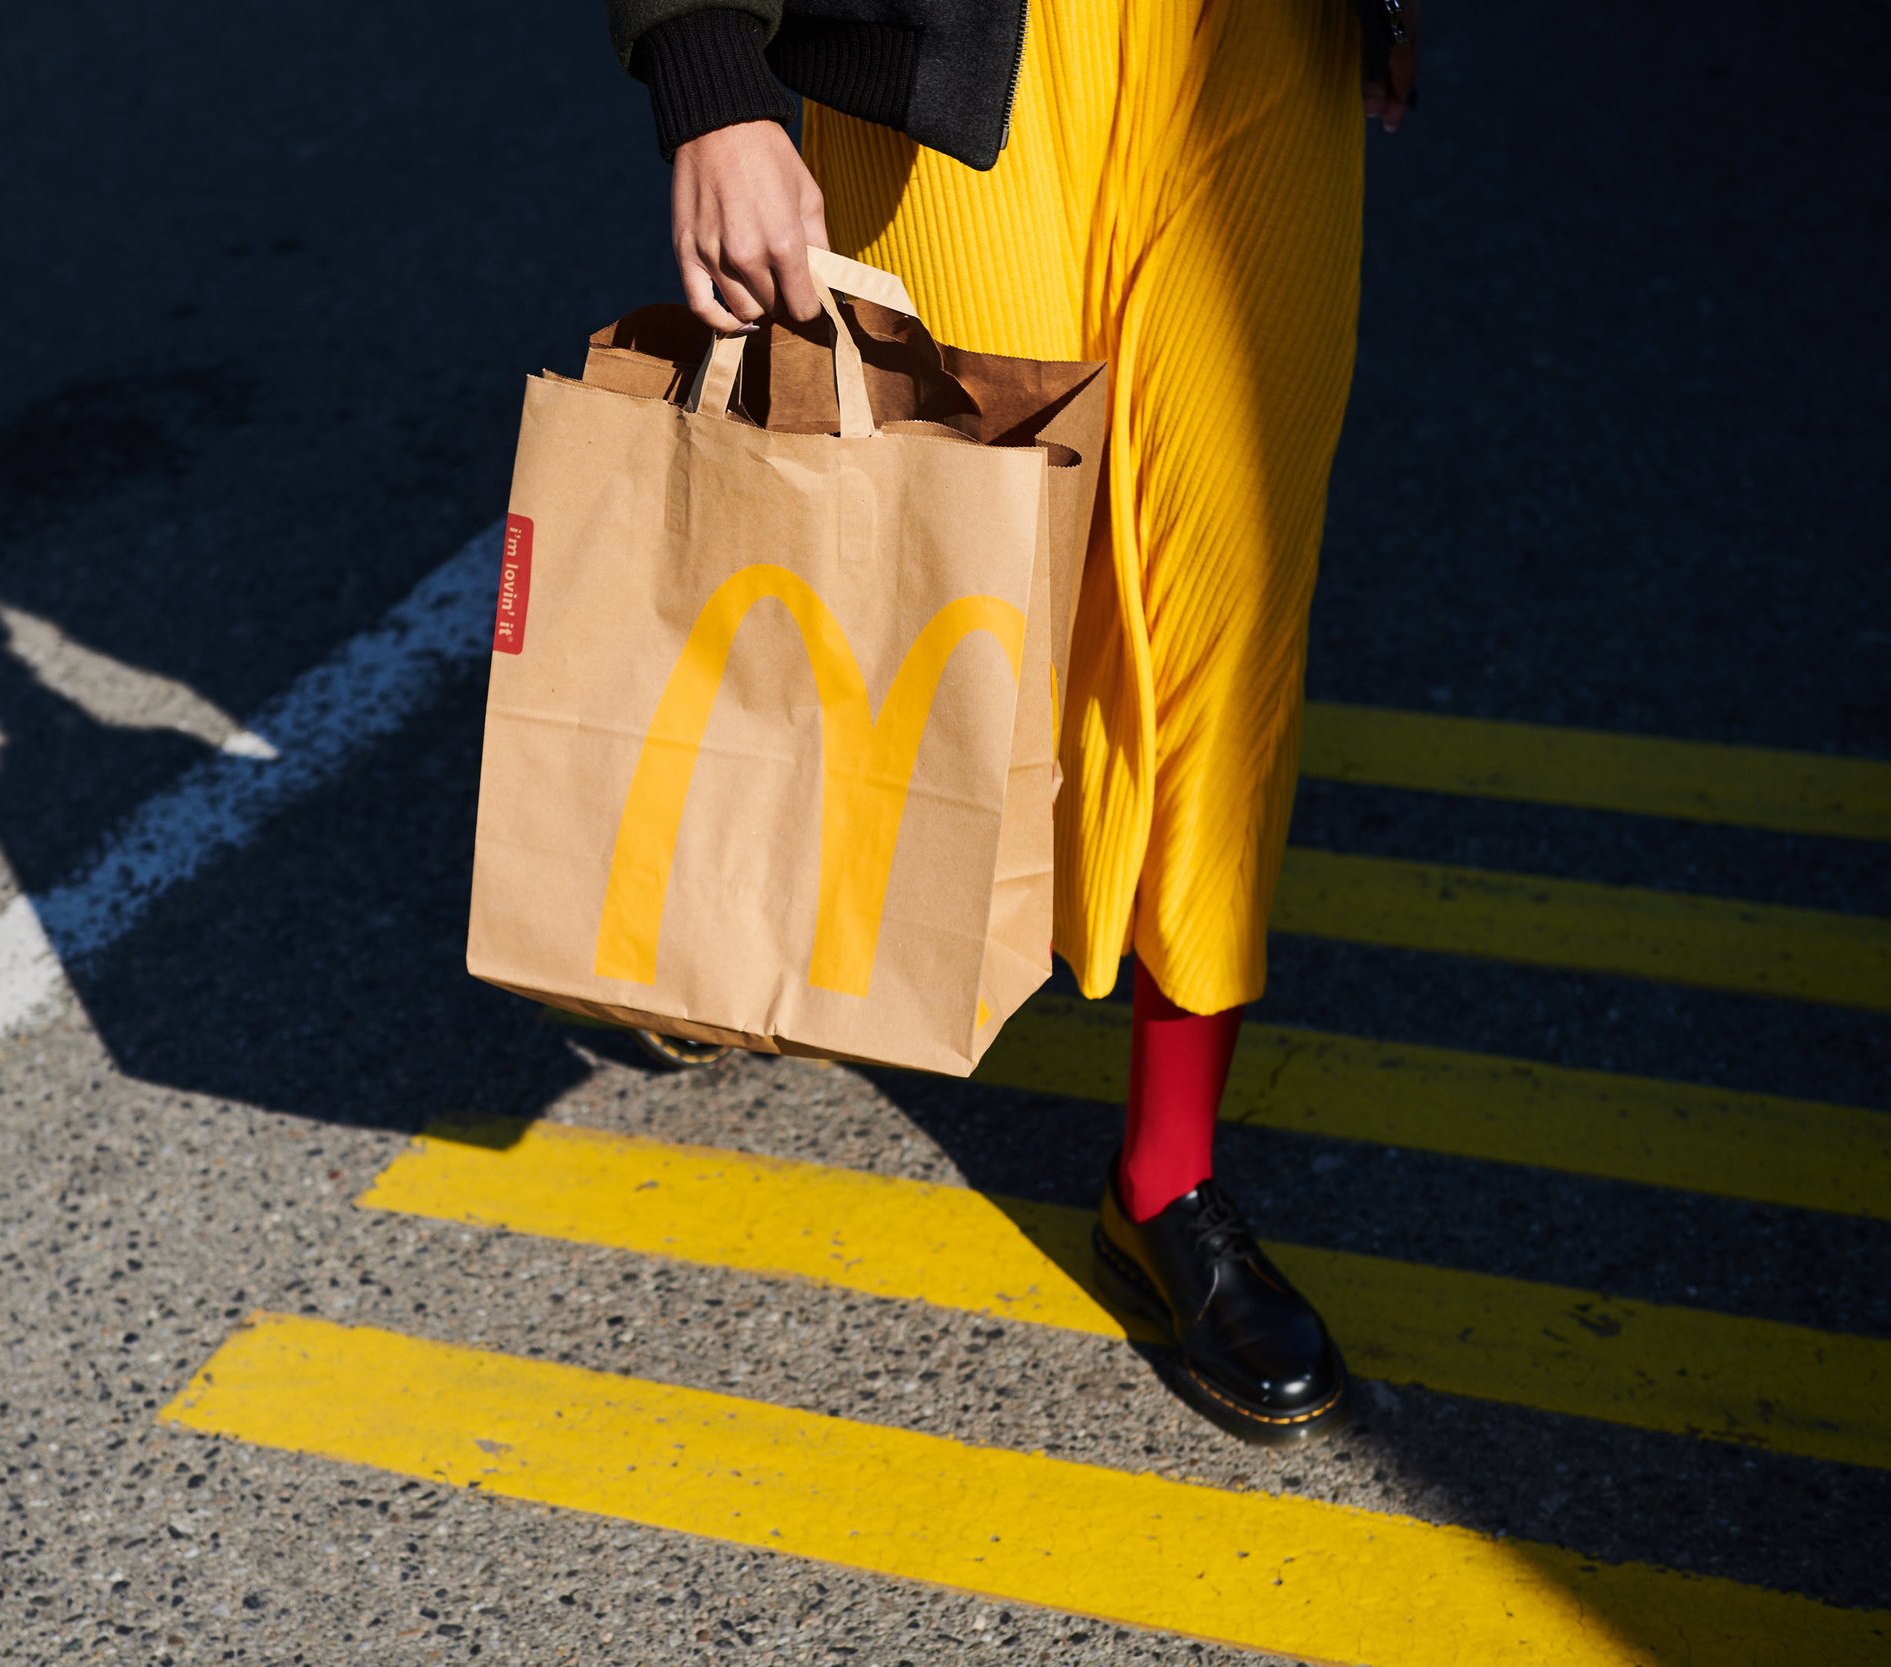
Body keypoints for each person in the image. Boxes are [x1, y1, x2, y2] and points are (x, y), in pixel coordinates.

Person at [604, 0, 1418, 1445]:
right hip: (970, 43)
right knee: (926, 549)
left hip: (1260, 44)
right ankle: (755, 895)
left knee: (1227, 610)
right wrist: (709, 75)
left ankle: (1164, 1180)